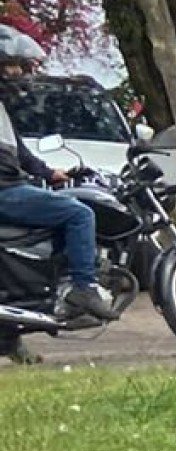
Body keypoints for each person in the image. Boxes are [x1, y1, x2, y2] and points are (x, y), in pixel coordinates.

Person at [0, 114, 115, 321]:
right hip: (5, 190)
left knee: (64, 210)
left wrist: (49, 173)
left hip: (10, 185)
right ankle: (84, 287)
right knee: (80, 214)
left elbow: (21, 154)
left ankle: (58, 283)